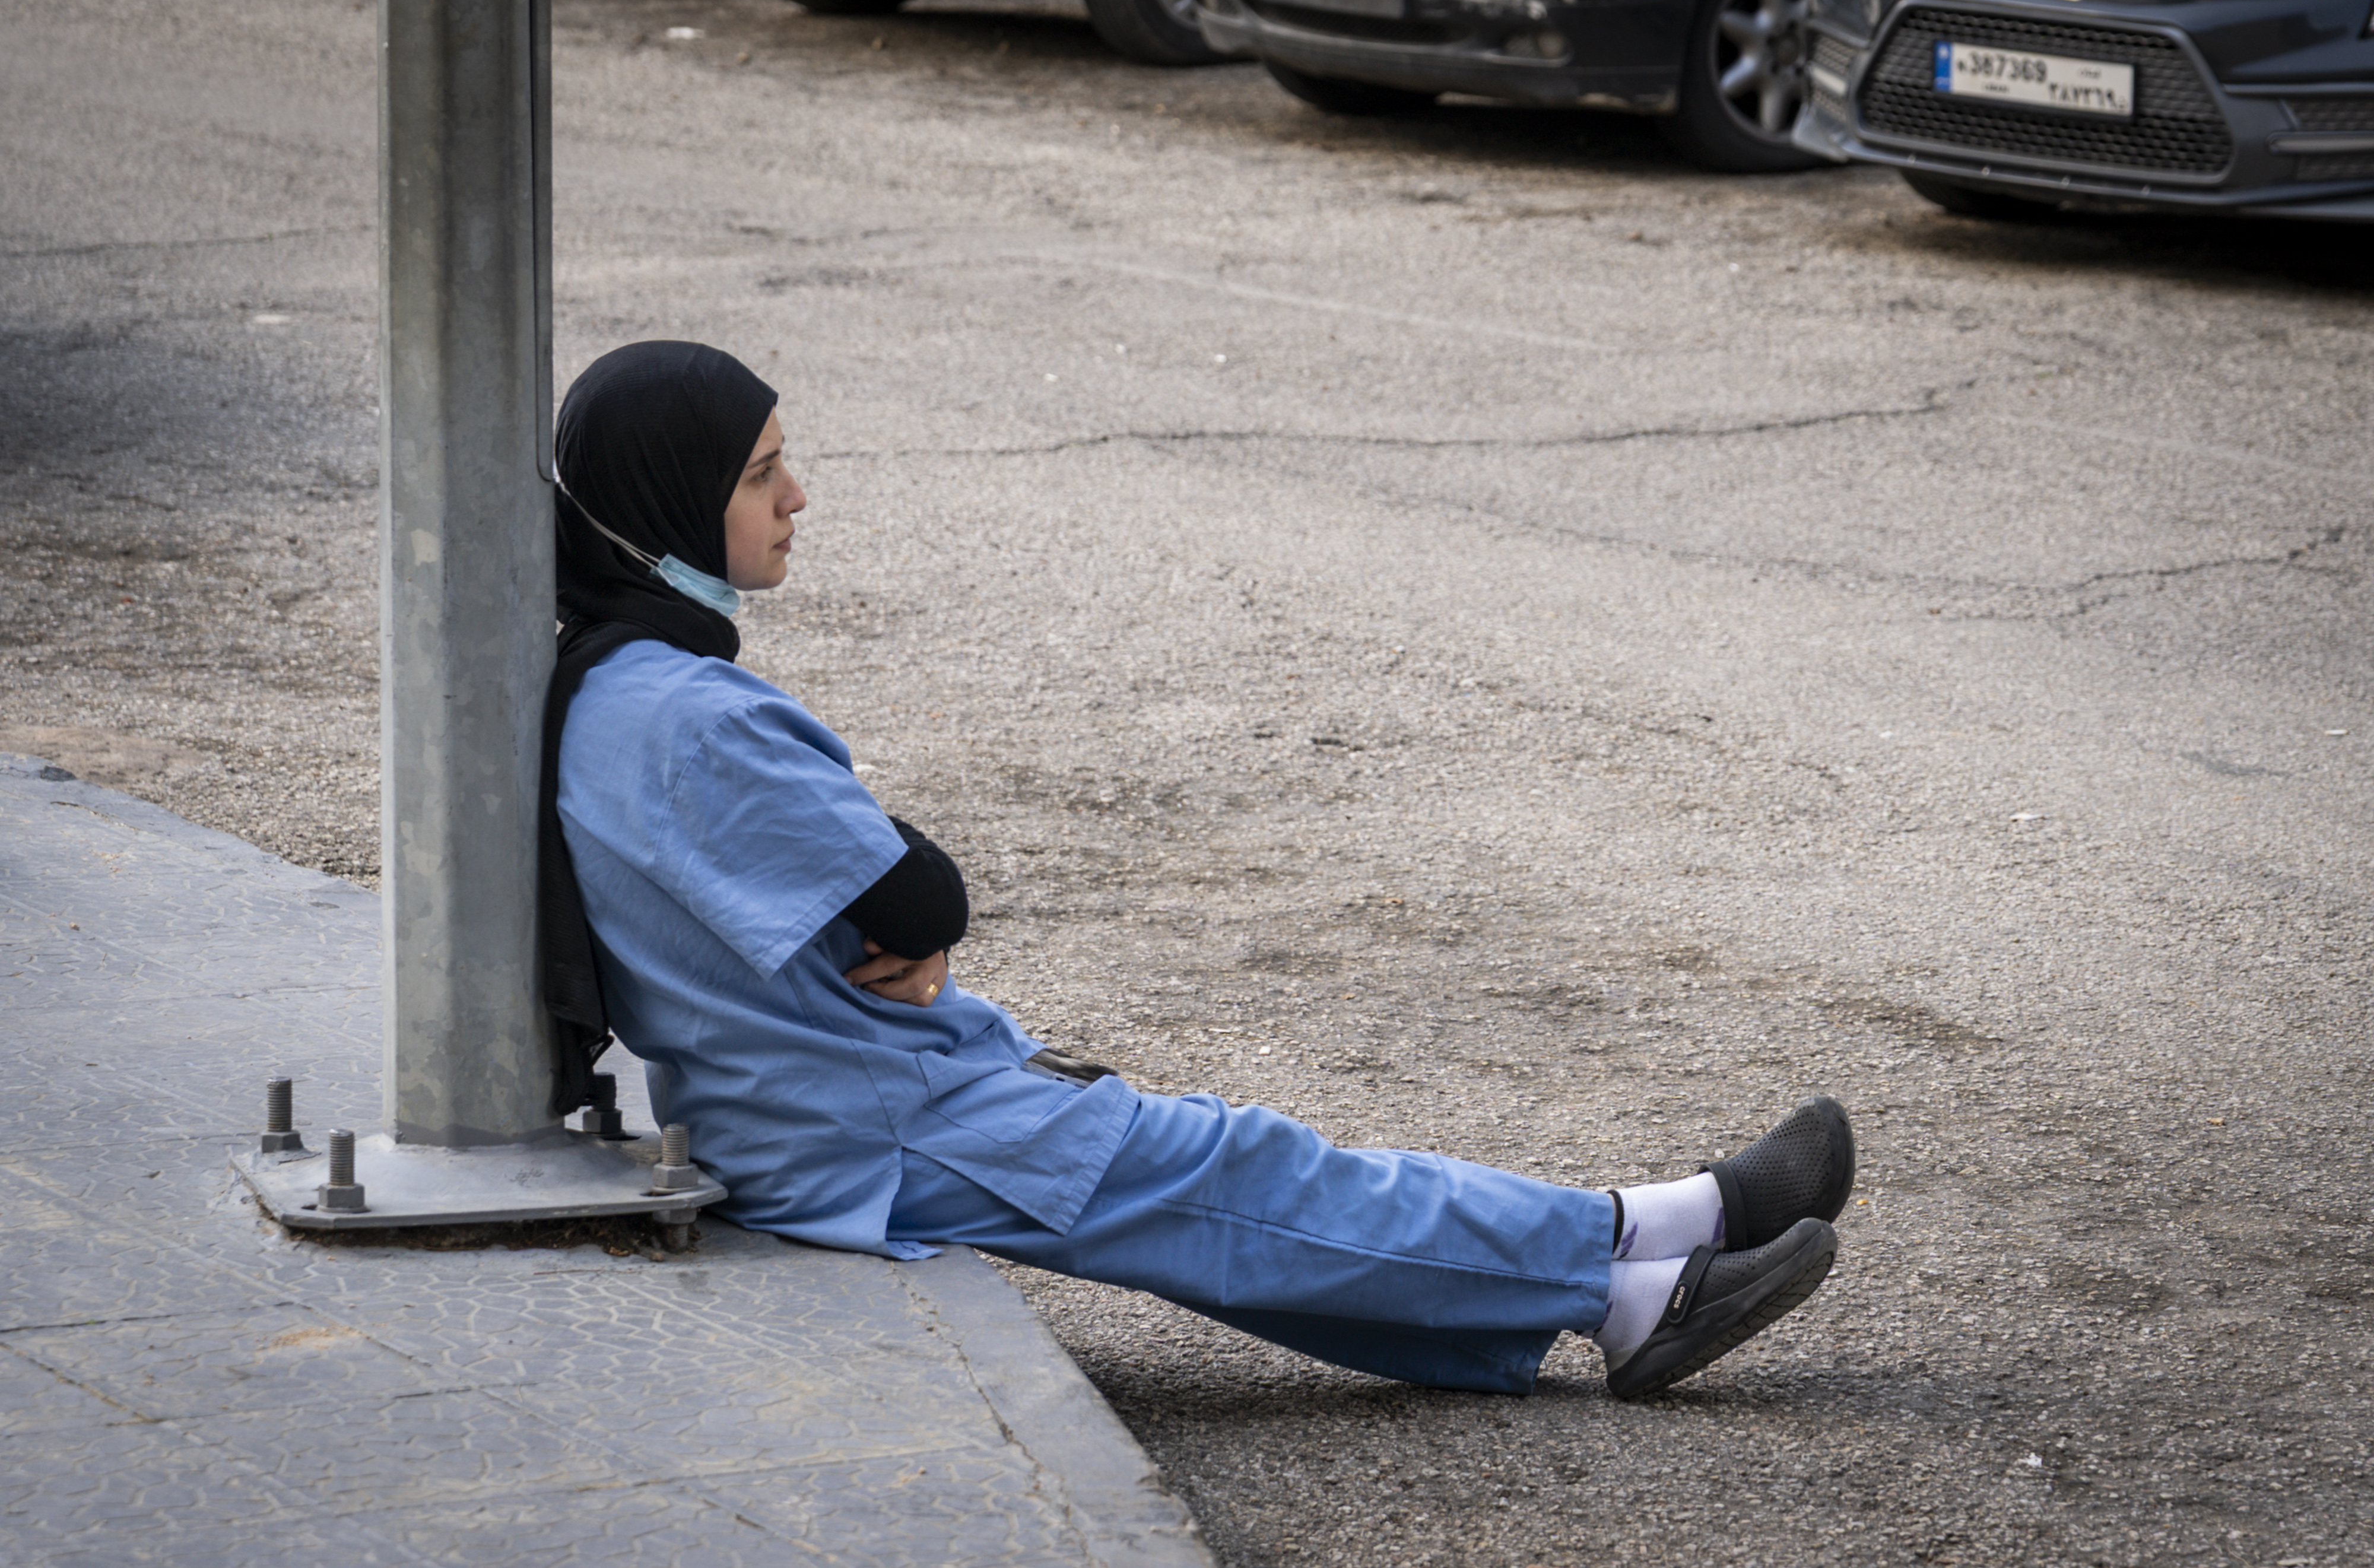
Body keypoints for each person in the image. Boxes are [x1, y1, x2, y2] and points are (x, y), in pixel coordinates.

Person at [541, 341, 1854, 1399]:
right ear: (669, 493)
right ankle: (1626, 1275)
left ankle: (1652, 1236)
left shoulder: (619, 679)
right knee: (1241, 1180)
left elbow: (877, 893)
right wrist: (917, 910)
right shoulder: (688, 712)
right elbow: (917, 898)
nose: (798, 496)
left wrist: (900, 907)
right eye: (764, 469)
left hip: (845, 1096)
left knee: (1232, 1200)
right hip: (866, 1123)